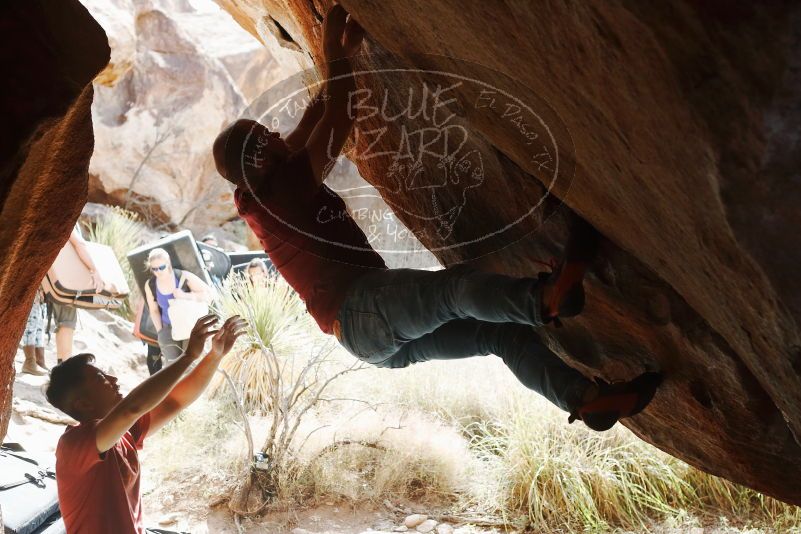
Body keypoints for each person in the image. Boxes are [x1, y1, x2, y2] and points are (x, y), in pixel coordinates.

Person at [213, 5, 662, 431]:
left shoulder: (261, 187)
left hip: (369, 339)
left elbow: (306, 128)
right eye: (263, 137)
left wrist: (339, 60)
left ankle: (585, 400)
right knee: (455, 290)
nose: (274, 133)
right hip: (363, 310)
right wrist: (334, 55)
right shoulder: (281, 192)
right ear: (259, 164)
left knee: (501, 338)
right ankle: (544, 300)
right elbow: (337, 118)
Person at [45, 314, 246, 533]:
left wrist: (215, 355)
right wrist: (188, 356)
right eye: (102, 379)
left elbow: (175, 401)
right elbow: (132, 408)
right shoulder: (74, 444)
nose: (114, 380)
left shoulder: (122, 431)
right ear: (83, 404)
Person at [50, 226, 108, 364]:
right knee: (67, 323)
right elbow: (79, 244)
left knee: (62, 323)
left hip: (54, 278)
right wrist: (94, 270)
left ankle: (61, 366)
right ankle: (65, 368)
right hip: (65, 280)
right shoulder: (67, 217)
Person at [143, 248, 212, 364]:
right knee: (172, 367)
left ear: (168, 262)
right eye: (154, 269)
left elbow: (209, 294)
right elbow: (154, 310)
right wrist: (160, 331)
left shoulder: (182, 276)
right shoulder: (150, 284)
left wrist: (185, 296)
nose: (158, 271)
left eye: (161, 267)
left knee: (191, 365)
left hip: (190, 326)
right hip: (167, 329)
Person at [20, 287, 48, 375]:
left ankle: (39, 360)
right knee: (31, 323)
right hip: (32, 289)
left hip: (41, 290)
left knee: (39, 324)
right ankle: (30, 361)